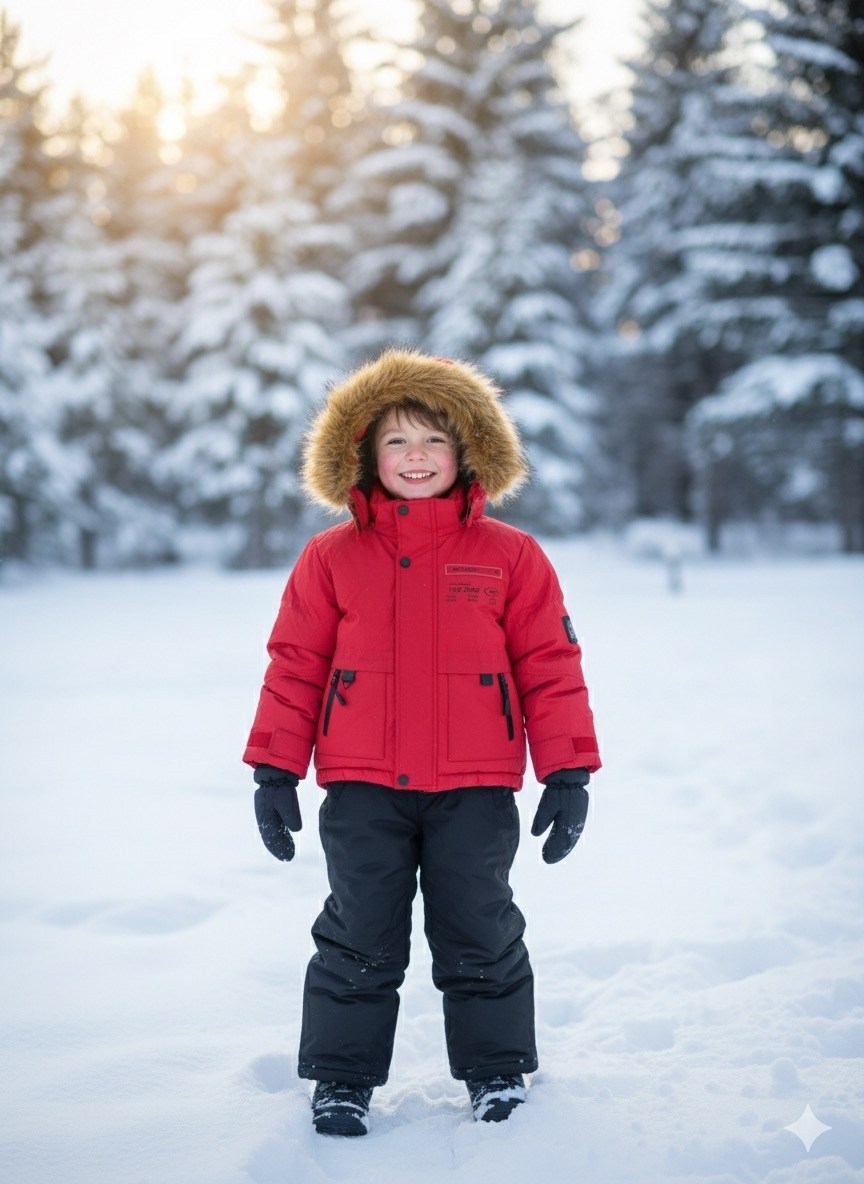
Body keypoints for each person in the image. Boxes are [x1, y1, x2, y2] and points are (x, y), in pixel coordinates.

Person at [244, 349, 601, 1137]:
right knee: (358, 931)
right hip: (363, 785)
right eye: (396, 442)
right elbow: (296, 664)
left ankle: (496, 1072)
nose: (415, 458)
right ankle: (341, 1081)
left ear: (468, 451)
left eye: (433, 441)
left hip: (474, 785)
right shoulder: (330, 557)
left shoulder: (511, 555)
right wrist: (275, 766)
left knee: (480, 925)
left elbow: (549, 663)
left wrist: (568, 769)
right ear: (363, 455)